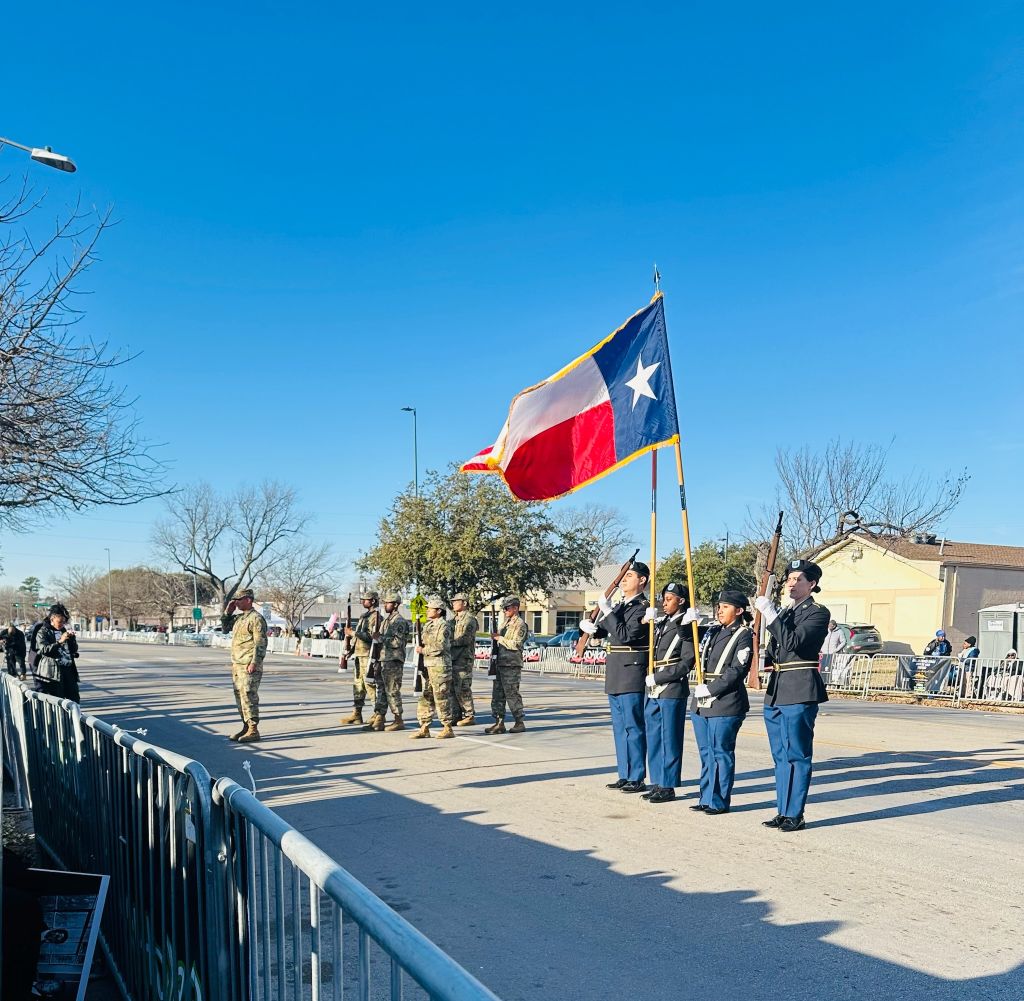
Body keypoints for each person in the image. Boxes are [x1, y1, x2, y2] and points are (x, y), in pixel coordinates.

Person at [755, 559, 831, 833]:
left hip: (799, 687)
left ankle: (794, 813)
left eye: (799, 579)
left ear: (812, 584)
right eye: (789, 578)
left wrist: (771, 616)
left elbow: (793, 643)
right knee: (780, 755)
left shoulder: (818, 613)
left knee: (797, 754)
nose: (791, 582)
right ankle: (782, 810)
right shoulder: (787, 612)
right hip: (777, 688)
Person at [582, 561, 650, 793]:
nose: (624, 580)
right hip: (616, 672)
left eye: (629, 575)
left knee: (634, 726)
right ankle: (625, 773)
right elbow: (605, 629)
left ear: (642, 580)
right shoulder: (622, 605)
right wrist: (589, 627)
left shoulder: (642, 607)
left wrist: (608, 611)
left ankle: (637, 775)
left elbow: (626, 634)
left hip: (631, 672)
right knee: (620, 728)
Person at [689, 590, 754, 815]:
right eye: (719, 606)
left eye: (725, 607)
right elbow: (691, 638)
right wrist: (685, 622)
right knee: (706, 753)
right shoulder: (714, 631)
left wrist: (711, 689)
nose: (719, 610)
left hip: (725, 701)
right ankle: (706, 797)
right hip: (702, 701)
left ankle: (718, 800)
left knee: (720, 753)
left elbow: (737, 669)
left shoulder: (743, 634)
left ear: (739, 610)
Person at [641, 582, 698, 804]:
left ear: (681, 601)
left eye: (669, 599)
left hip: (672, 687)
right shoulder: (663, 623)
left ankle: (668, 784)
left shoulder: (687, 625)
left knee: (669, 738)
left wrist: (659, 677)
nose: (664, 603)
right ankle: (657, 780)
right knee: (654, 737)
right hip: (654, 686)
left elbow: (686, 663)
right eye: (664, 599)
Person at [221, 588, 268, 742]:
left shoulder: (256, 619)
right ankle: (246, 726)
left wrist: (255, 662)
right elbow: (225, 629)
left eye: (239, 600)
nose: (236, 602)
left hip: (249, 664)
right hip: (237, 664)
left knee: (249, 695)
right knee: (240, 697)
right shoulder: (239, 618)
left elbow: (260, 643)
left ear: (248, 600)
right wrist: (228, 613)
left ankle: (254, 729)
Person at [364, 593, 411, 731]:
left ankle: (398, 719)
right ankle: (379, 717)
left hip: (393, 660)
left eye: (388, 603)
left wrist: (381, 638)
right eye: (384, 603)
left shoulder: (399, 621)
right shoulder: (386, 621)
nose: (385, 605)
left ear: (395, 605)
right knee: (381, 690)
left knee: (392, 690)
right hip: (383, 659)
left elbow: (398, 642)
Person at [412, 597, 455, 739]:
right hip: (428, 665)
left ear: (438, 611)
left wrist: (423, 650)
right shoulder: (429, 625)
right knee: (426, 696)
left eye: (430, 608)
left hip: (440, 666)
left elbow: (441, 646)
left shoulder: (444, 626)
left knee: (441, 696)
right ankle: (424, 726)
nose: (427, 610)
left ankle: (447, 727)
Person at [485, 596, 528, 734]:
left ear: (515, 608)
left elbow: (515, 644)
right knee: (498, 694)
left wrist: (499, 638)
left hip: (511, 664)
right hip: (500, 663)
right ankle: (499, 722)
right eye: (504, 608)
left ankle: (519, 721)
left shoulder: (520, 624)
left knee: (512, 694)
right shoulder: (505, 623)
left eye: (507, 608)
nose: (505, 611)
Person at [341, 592, 381, 725]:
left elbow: (371, 636)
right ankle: (357, 713)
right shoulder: (364, 616)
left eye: (366, 600)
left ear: (373, 601)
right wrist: (350, 650)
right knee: (358, 686)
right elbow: (358, 637)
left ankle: (377, 714)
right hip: (359, 655)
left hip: (368, 656)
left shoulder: (376, 617)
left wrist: (352, 632)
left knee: (370, 685)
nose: (363, 601)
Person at [32, 604, 80, 701]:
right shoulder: (43, 632)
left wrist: (72, 640)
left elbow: (73, 650)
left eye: (64, 621)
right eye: (60, 621)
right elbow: (43, 650)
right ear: (52, 619)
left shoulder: (63, 630)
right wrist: (59, 642)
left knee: (74, 699)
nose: (62, 624)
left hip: (69, 670)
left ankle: (74, 716)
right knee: (57, 700)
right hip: (53, 672)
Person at [449, 593, 478, 725]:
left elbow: (466, 639)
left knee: (463, 687)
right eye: (453, 601)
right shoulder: (453, 620)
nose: (453, 603)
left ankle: (469, 715)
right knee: (453, 688)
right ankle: (456, 714)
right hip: (453, 657)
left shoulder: (470, 619)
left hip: (463, 658)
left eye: (456, 601)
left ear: (464, 603)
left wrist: (449, 643)